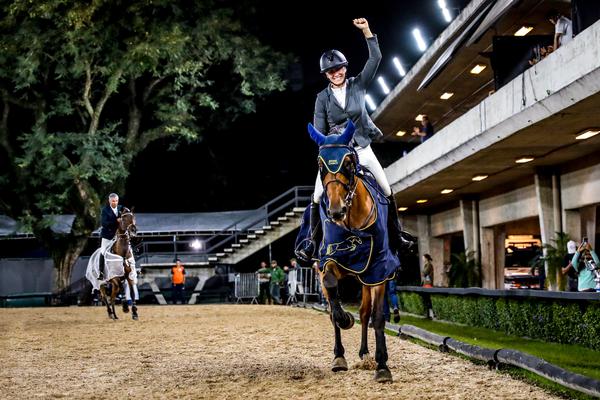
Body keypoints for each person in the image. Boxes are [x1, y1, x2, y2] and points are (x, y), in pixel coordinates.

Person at [296, 17, 406, 262]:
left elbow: (375, 59)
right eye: (331, 71)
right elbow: (319, 130)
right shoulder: (322, 98)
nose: (336, 73)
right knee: (316, 196)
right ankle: (312, 244)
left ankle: (397, 235)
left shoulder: (358, 84)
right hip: (337, 154)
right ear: (326, 74)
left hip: (362, 148)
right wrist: (332, 142)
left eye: (340, 69)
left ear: (345, 68)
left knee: (386, 189)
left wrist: (367, 31)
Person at [99, 193, 124, 280]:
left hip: (119, 235)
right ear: (110, 201)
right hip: (107, 235)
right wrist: (116, 221)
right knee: (102, 251)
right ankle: (101, 272)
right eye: (113, 201)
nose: (115, 203)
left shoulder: (121, 208)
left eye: (116, 201)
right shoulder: (105, 210)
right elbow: (104, 223)